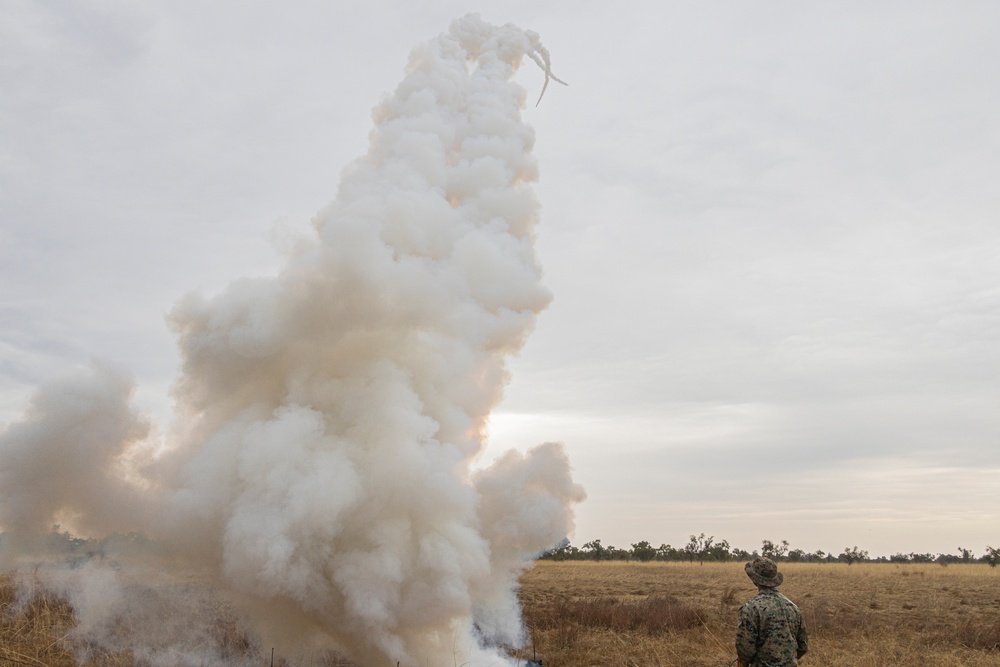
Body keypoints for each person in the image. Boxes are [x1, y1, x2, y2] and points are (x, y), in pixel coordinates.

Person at [736, 557, 808, 666]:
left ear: (754, 580)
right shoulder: (793, 608)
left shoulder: (751, 608)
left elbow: (745, 651)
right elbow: (803, 646)